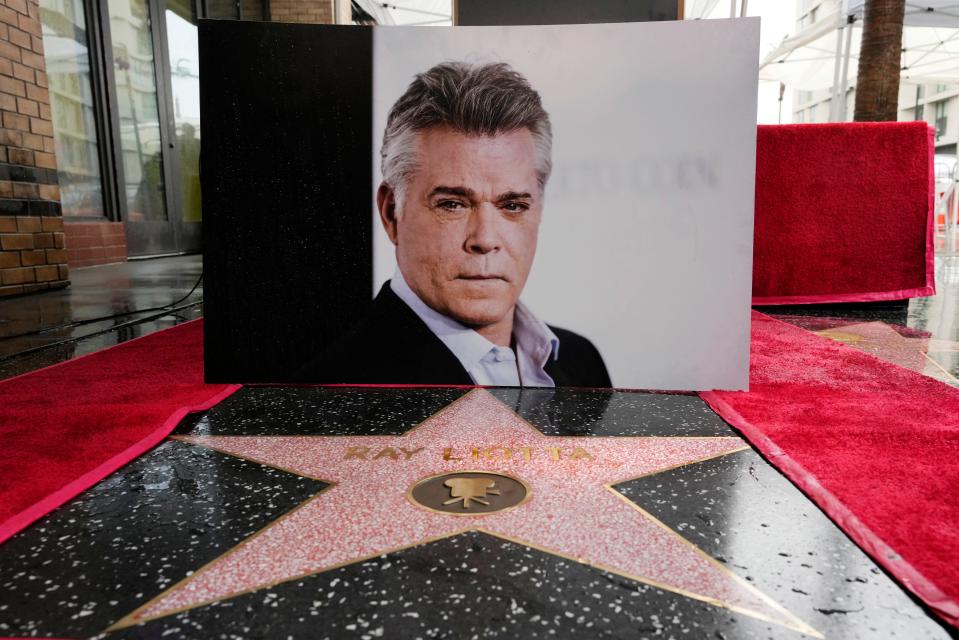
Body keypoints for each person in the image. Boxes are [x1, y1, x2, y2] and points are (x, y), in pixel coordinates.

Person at [298, 61, 610, 387]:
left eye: (513, 205)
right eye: (453, 204)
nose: (485, 239)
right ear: (391, 212)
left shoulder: (581, 360)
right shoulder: (328, 395)